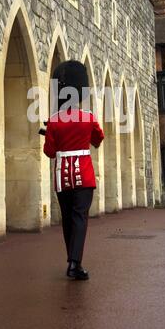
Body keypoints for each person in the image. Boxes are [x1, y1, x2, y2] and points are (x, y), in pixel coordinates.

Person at [43, 60, 104, 280]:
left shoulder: (53, 121)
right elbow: (98, 138)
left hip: (62, 178)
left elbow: (49, 152)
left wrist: (53, 135)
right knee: (80, 218)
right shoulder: (88, 118)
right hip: (84, 177)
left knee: (68, 219)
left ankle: (72, 260)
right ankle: (74, 263)